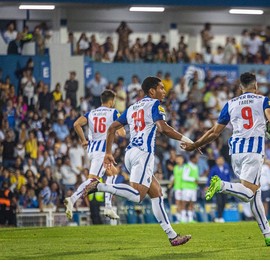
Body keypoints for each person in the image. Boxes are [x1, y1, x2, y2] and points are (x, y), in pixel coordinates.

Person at [181, 72, 270, 246]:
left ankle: (268, 234)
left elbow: (214, 132)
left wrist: (195, 145)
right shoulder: (263, 100)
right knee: (249, 193)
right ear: (255, 86)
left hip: (236, 152)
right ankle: (222, 185)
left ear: (240, 87)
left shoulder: (230, 104)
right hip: (253, 151)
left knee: (256, 195)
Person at [84, 76, 192, 246]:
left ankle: (172, 236)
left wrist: (108, 153)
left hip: (130, 154)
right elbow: (163, 128)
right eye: (161, 88)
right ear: (152, 91)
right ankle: (100, 186)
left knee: (157, 193)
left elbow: (112, 128)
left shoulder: (132, 107)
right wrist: (186, 139)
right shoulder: (155, 104)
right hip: (143, 154)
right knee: (137, 197)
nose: (164, 91)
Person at [64, 89, 126, 221]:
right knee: (92, 180)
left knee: (113, 174)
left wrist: (83, 140)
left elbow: (76, 124)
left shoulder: (91, 113)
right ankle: (72, 199)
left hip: (93, 150)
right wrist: (119, 127)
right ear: (111, 101)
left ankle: (108, 207)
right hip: (103, 152)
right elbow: (122, 134)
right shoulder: (113, 112)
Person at [208, 156, 231, 223]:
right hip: (217, 188)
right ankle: (219, 216)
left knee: (224, 202)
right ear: (216, 161)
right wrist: (208, 186)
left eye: (221, 160)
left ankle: (221, 216)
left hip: (225, 187)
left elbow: (228, 177)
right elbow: (210, 177)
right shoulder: (214, 169)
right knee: (219, 202)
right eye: (219, 160)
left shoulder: (226, 168)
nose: (220, 161)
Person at [181, 153, 200, 223]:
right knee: (185, 202)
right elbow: (184, 177)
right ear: (192, 159)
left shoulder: (196, 167)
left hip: (193, 188)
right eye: (196, 158)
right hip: (187, 188)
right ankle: (182, 219)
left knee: (192, 203)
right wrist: (193, 179)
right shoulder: (187, 166)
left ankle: (190, 219)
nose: (197, 160)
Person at [170, 154, 185, 223]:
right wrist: (171, 184)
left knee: (183, 202)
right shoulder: (175, 167)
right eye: (177, 159)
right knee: (177, 202)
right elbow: (174, 177)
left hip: (184, 187)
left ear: (182, 160)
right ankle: (178, 217)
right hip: (177, 187)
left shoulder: (185, 167)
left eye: (179, 159)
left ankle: (183, 217)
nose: (178, 160)